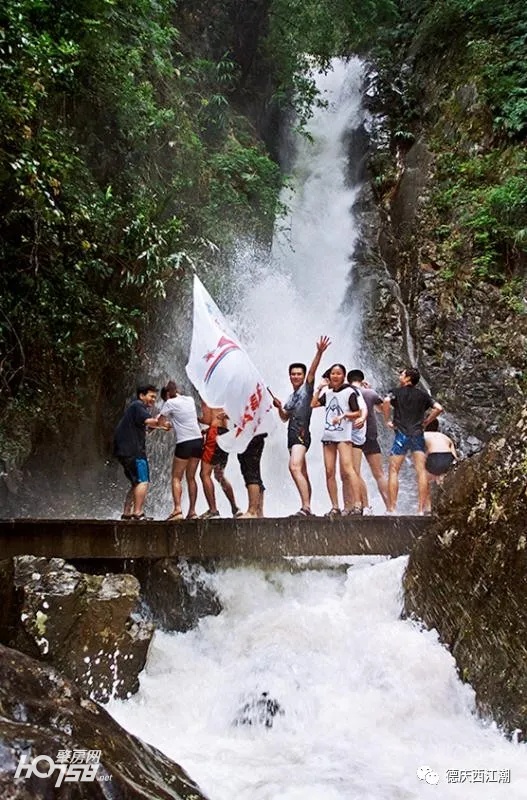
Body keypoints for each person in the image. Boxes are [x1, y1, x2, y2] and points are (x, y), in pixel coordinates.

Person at [272, 335, 331, 517]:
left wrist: (319, 352)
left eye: (299, 374)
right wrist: (279, 407)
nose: (296, 376)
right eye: (293, 374)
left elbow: (313, 371)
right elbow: (284, 418)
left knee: (294, 467)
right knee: (302, 471)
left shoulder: (307, 389)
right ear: (289, 376)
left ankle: (305, 508)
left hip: (301, 433)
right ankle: (307, 506)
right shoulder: (291, 397)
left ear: (303, 376)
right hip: (292, 434)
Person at [382, 367, 443, 515]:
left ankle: (391, 509)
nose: (399, 376)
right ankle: (421, 510)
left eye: (402, 374)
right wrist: (426, 422)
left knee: (394, 470)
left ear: (408, 378)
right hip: (417, 434)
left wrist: (387, 420)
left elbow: (386, 401)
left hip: (401, 434)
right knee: (421, 471)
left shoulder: (395, 392)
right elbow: (439, 408)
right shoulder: (423, 395)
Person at [311, 363, 367, 516]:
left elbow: (358, 412)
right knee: (329, 471)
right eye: (332, 374)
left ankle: (357, 504)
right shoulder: (328, 394)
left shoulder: (350, 392)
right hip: (328, 436)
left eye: (338, 373)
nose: (335, 376)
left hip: (343, 436)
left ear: (343, 376)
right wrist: (319, 388)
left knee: (349, 470)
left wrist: (344, 416)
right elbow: (313, 404)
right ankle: (335, 506)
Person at [113, 384, 165, 520]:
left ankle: (127, 513)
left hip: (124, 451)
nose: (154, 400)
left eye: (155, 397)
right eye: (151, 396)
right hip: (134, 451)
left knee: (135, 482)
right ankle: (138, 513)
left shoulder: (133, 409)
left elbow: (146, 427)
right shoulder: (138, 406)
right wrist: (162, 420)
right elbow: (150, 421)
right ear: (142, 396)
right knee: (143, 481)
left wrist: (157, 426)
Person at [157, 380, 204, 520]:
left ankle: (177, 510)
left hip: (184, 442)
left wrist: (166, 425)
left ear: (166, 395)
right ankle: (193, 512)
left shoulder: (169, 403)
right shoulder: (189, 399)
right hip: (198, 440)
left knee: (176, 476)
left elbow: (160, 422)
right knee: (191, 477)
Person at [347, 370, 389, 512]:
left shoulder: (347, 392)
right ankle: (391, 508)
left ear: (348, 380)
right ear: (362, 379)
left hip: (354, 436)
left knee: (355, 472)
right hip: (371, 435)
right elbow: (381, 409)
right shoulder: (370, 393)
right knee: (379, 474)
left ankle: (365, 506)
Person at [199, 402, 241, 519]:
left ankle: (213, 510)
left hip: (215, 434)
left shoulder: (207, 395)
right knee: (219, 475)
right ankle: (235, 508)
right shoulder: (222, 396)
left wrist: (195, 418)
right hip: (225, 434)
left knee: (204, 474)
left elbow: (208, 419)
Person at [423, 418, 458, 511]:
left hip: (434, 456)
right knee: (442, 478)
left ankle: (428, 508)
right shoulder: (445, 437)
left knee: (423, 478)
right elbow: (455, 457)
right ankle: (448, 504)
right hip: (448, 457)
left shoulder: (423, 435)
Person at [237, 433, 267, 518]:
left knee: (251, 473)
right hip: (253, 436)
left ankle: (252, 511)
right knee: (254, 473)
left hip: (249, 436)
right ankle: (258, 511)